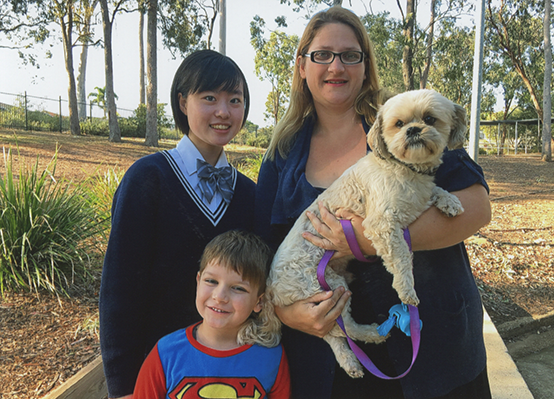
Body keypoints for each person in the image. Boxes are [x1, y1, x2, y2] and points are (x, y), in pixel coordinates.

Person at [254, 6, 492, 399]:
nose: (336, 66)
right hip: (332, 362)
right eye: (322, 55)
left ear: (365, 66)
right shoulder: (281, 155)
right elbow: (263, 251)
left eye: (350, 55)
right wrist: (286, 313)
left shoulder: (410, 118)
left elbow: (478, 208)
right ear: (302, 66)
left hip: (435, 348)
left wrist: (365, 240)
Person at [100, 49, 256, 399]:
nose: (223, 111)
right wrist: (123, 385)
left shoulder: (249, 194)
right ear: (183, 102)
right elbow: (119, 288)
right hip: (155, 374)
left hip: (229, 373)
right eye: (210, 98)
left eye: (235, 100)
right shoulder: (147, 179)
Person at [132, 230, 291, 399]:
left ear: (259, 302)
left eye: (238, 288)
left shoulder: (272, 357)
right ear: (198, 281)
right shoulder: (166, 353)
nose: (219, 296)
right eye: (211, 281)